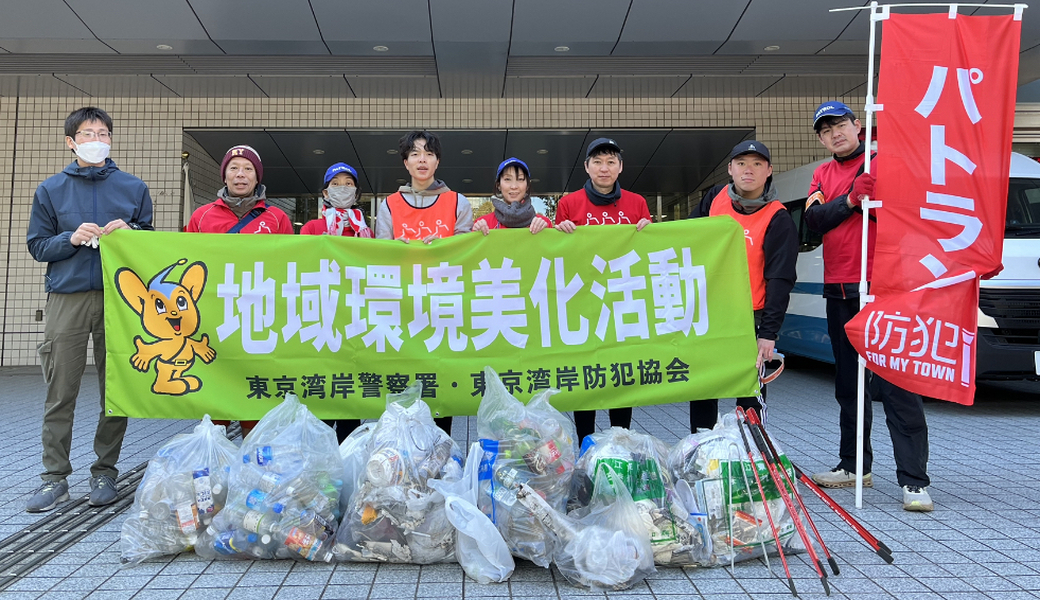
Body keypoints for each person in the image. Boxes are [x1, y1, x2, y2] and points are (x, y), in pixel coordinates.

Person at [805, 101, 933, 512]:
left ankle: (913, 480)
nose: (835, 134)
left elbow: (910, 216)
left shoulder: (885, 163)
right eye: (826, 130)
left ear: (858, 125)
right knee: (849, 384)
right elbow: (815, 221)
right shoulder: (821, 173)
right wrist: (849, 202)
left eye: (840, 124)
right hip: (838, 288)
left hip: (884, 286)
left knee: (896, 383)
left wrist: (870, 205)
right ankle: (854, 465)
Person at [25, 106, 154, 512]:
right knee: (60, 389)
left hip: (121, 299)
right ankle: (54, 477)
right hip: (68, 296)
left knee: (115, 389)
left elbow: (151, 241)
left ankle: (105, 471)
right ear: (71, 141)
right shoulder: (51, 189)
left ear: (111, 140)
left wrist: (131, 234)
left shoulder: (133, 188)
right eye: (86, 134)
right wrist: (70, 238)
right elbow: (37, 245)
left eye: (102, 133)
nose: (95, 139)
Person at [686, 141, 798, 433]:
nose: (749, 170)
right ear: (730, 169)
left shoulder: (778, 217)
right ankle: (702, 451)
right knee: (703, 387)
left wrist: (769, 334)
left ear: (769, 171)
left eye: (757, 164)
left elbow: (780, 279)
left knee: (750, 392)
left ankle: (753, 454)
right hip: (710, 312)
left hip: (752, 316)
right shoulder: (715, 198)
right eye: (742, 163)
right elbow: (685, 238)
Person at [186, 144, 294, 439]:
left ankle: (254, 469)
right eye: (233, 168)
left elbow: (290, 266)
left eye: (248, 169)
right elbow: (186, 264)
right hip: (214, 316)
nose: (240, 175)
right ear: (224, 176)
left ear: (257, 177)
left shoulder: (277, 219)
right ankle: (213, 464)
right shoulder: (202, 216)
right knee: (214, 399)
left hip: (260, 317)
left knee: (255, 398)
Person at [375, 130, 473, 436]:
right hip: (403, 311)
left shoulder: (458, 202)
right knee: (404, 384)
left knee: (440, 386)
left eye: (428, 153)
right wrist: (395, 249)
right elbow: (378, 258)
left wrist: (446, 248)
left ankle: (442, 457)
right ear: (405, 162)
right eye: (415, 153)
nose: (422, 159)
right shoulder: (389, 205)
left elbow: (468, 255)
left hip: (444, 309)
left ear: (438, 161)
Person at [554, 137, 652, 442]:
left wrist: (653, 234)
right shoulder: (568, 204)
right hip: (585, 303)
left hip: (623, 302)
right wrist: (559, 231)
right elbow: (556, 256)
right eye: (597, 162)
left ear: (621, 167)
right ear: (586, 167)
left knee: (620, 374)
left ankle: (620, 441)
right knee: (587, 375)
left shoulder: (637, 203)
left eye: (611, 162)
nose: (604, 168)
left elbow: (649, 254)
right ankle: (586, 445)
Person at [301, 162, 373, 443]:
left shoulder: (365, 231)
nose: (342, 189)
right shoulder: (312, 227)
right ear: (325, 193)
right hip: (322, 322)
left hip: (354, 326)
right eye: (335, 184)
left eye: (348, 184)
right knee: (319, 413)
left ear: (356, 193)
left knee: (349, 410)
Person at [472, 158, 552, 235]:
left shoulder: (543, 224)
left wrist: (546, 234)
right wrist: (477, 237)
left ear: (527, 185)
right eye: (507, 179)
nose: (514, 186)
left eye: (520, 179)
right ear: (498, 185)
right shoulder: (484, 225)